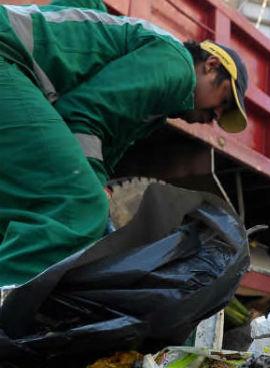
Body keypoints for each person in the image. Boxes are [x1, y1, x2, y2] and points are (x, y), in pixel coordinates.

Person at [0, 1, 249, 286]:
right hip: (7, 56)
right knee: (77, 204)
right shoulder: (176, 67)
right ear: (211, 65)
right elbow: (83, 114)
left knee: (21, 216)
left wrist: (98, 184)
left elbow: (99, 144)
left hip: (13, 66)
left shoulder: (155, 104)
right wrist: (93, 191)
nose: (216, 116)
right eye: (224, 101)